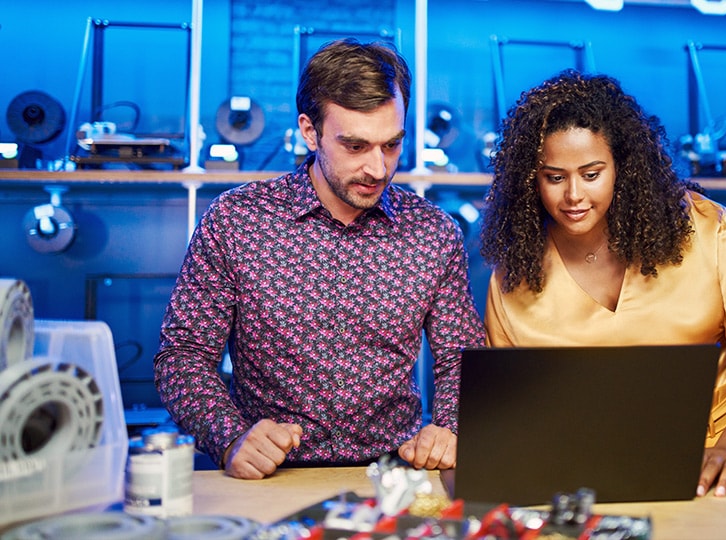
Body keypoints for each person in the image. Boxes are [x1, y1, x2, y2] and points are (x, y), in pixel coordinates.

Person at [154, 38, 485, 480]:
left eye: (391, 145)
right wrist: (231, 436)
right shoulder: (237, 221)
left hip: (391, 475)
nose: (378, 168)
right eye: (355, 146)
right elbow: (183, 355)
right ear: (310, 132)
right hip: (268, 474)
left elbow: (460, 357)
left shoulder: (432, 232)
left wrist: (449, 428)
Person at [479, 70, 726, 497]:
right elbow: (514, 410)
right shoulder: (514, 275)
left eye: (592, 173)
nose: (573, 195)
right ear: (532, 180)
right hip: (585, 478)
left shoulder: (711, 233)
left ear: (623, 166)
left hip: (717, 474)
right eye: (555, 177)